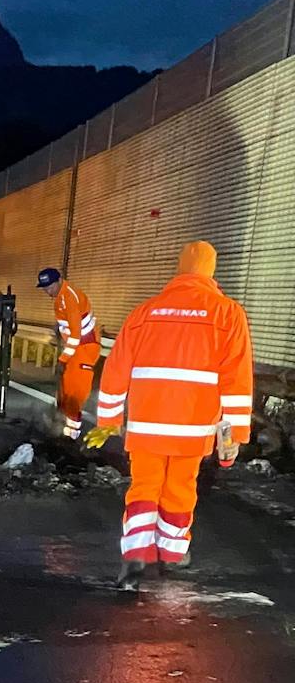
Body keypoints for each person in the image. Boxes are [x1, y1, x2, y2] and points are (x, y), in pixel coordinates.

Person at [91, 241, 253, 586]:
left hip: (147, 424)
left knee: (144, 485)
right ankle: (173, 553)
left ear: (179, 269)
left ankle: (135, 555)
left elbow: (116, 368)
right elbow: (236, 379)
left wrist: (108, 420)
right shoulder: (227, 313)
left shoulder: (145, 312)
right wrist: (234, 436)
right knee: (180, 487)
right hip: (193, 427)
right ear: (211, 271)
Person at [37, 265, 101, 438]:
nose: (48, 291)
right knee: (65, 391)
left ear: (59, 280)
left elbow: (76, 334)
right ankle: (62, 428)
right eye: (45, 288)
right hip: (76, 349)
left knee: (74, 394)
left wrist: (64, 359)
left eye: (50, 286)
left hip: (85, 349)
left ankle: (71, 436)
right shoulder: (60, 297)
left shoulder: (68, 297)